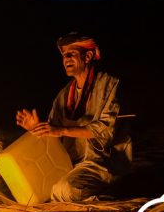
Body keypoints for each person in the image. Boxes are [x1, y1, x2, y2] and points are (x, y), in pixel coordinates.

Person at [16, 32, 131, 202]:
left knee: (64, 190)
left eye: (72, 54)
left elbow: (105, 131)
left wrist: (61, 130)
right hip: (69, 165)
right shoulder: (63, 95)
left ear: (88, 56)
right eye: (63, 55)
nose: (66, 59)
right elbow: (53, 135)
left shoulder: (110, 85)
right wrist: (36, 128)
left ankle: (111, 190)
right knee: (29, 185)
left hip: (101, 165)